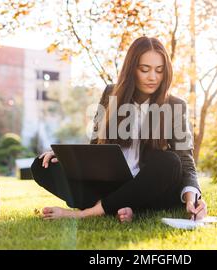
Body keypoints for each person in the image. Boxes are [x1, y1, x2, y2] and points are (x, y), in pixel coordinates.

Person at [31, 36, 207, 222]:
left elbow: (185, 160)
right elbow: (95, 146)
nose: (153, 77)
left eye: (159, 70)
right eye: (144, 69)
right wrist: (67, 157)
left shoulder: (175, 105)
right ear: (132, 69)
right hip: (110, 185)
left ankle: (87, 213)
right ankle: (120, 206)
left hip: (149, 187)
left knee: (170, 162)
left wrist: (192, 201)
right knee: (41, 165)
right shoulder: (110, 93)